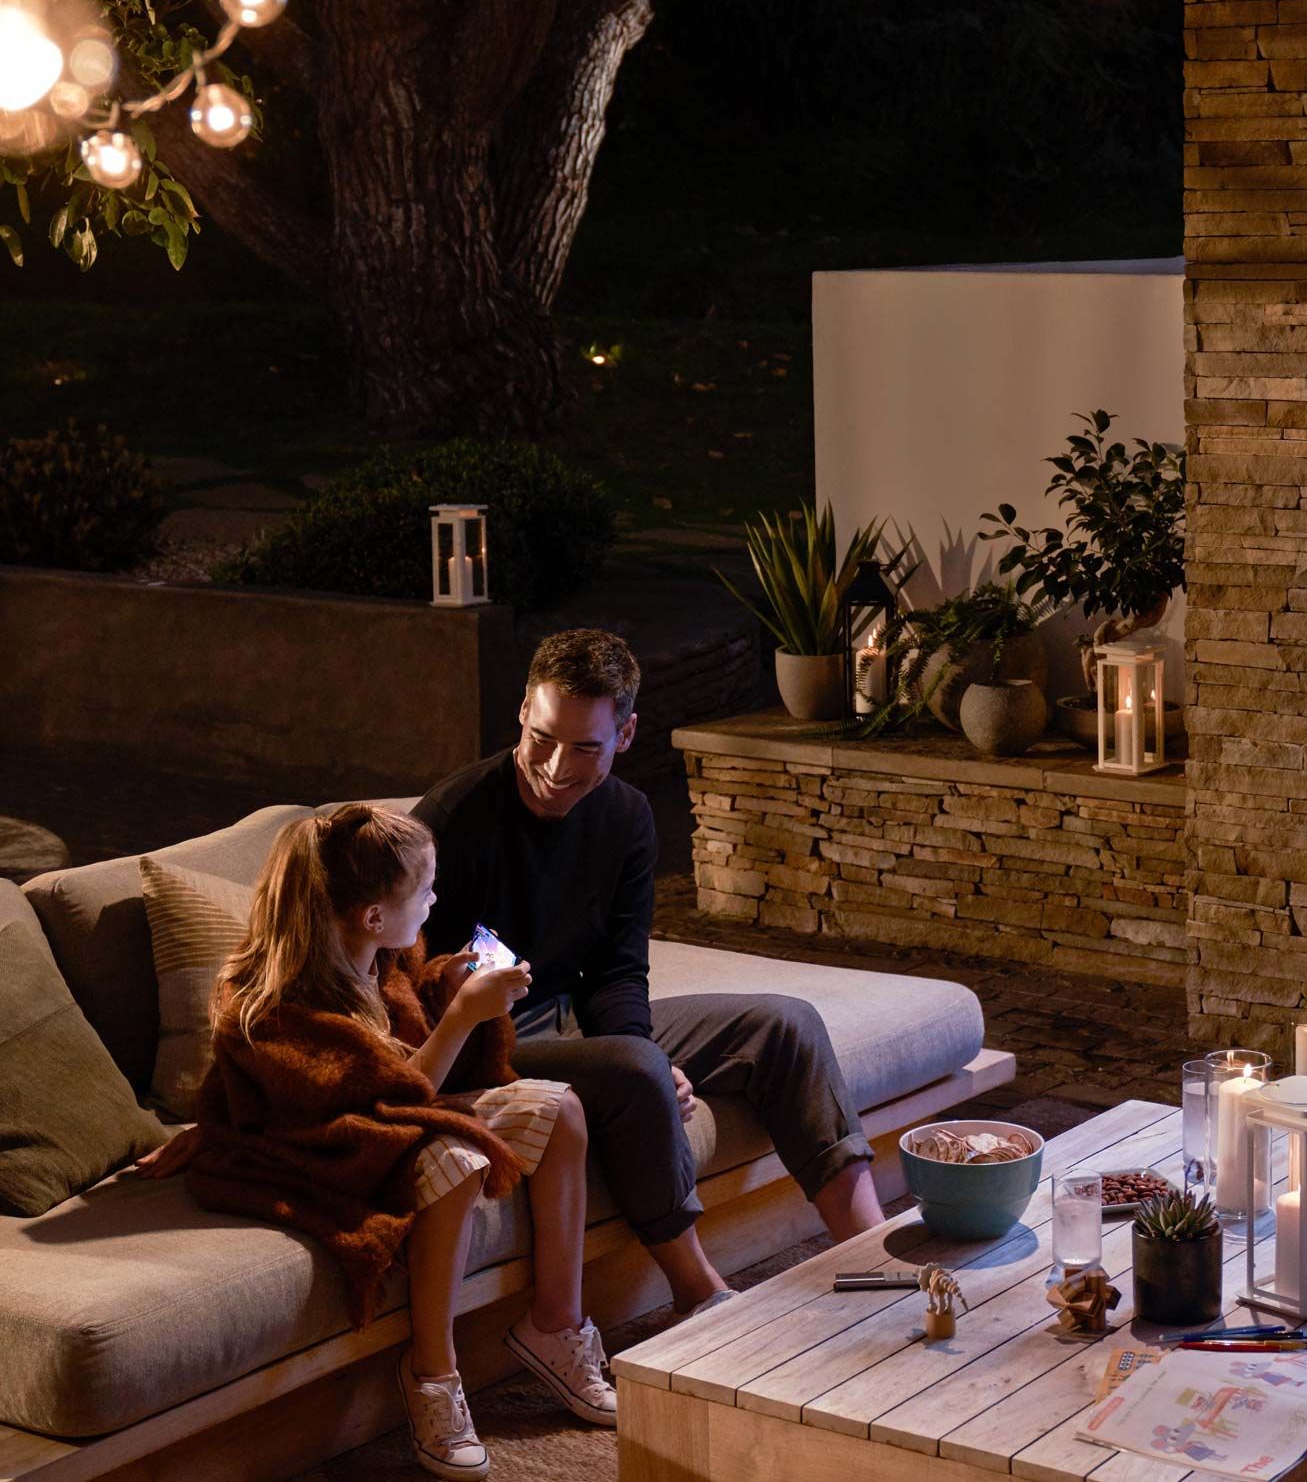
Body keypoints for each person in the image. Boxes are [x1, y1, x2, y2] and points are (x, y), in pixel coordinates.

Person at [413, 628, 883, 1322]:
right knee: (635, 1067)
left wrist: (651, 1051)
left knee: (786, 1025)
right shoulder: (453, 822)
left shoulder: (627, 820)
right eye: (542, 737)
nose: (553, 766)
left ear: (626, 734)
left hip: (575, 1019)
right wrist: (643, 1063)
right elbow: (420, 988)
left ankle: (873, 1259)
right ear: (522, 710)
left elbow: (618, 969)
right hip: (480, 1045)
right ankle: (701, 1296)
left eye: (585, 747)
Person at [140, 805, 615, 1481]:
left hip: (393, 1123)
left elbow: (401, 1051)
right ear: (370, 915)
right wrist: (463, 1014)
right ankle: (432, 1376)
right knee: (457, 1162)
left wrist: (445, 985)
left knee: (562, 1109)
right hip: (323, 1150)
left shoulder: (381, 959)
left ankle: (555, 1325)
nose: (434, 901)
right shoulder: (269, 1005)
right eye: (425, 892)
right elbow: (379, 1099)